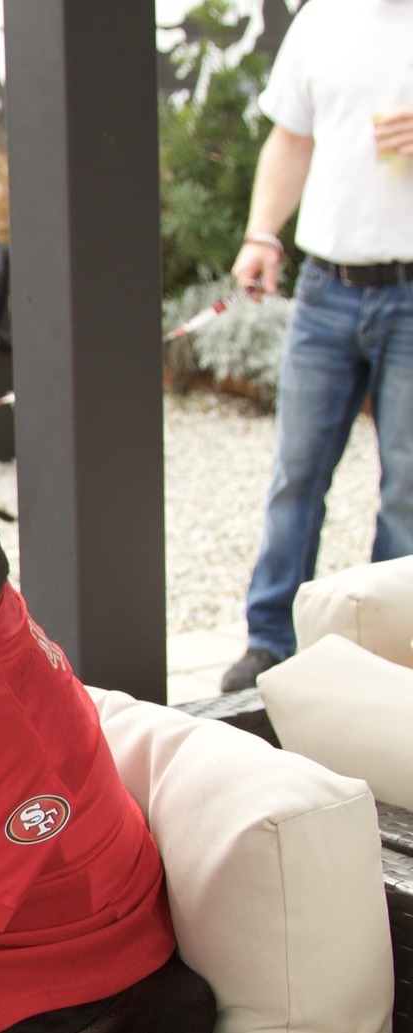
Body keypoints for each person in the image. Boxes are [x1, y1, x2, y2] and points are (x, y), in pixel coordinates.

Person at [220, 0, 413, 692]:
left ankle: (389, 660)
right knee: (295, 478)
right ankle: (270, 643)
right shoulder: (322, 18)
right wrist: (261, 233)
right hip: (325, 291)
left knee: (408, 494)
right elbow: (291, 139)